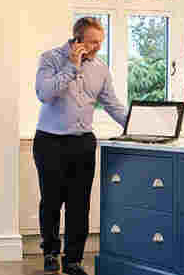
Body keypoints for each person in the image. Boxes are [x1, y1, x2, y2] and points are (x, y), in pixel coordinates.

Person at [32, 17, 129, 275]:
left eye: (100, 42)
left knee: (79, 204)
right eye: (93, 42)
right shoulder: (50, 59)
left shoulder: (100, 68)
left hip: (83, 143)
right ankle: (50, 252)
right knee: (52, 201)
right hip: (50, 140)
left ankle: (73, 259)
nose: (98, 46)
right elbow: (44, 93)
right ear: (77, 40)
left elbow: (112, 104)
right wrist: (72, 67)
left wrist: (137, 126)